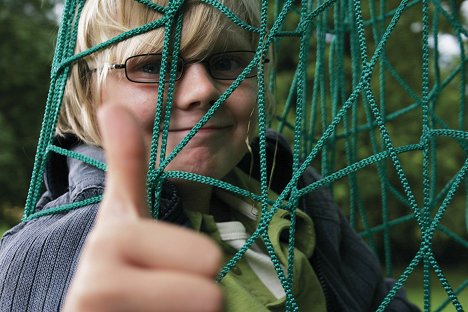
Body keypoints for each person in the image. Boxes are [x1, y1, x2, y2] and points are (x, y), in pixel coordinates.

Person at [0, 0, 419, 311]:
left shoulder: (287, 189)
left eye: (227, 62)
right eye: (151, 66)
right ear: (87, 92)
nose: (203, 91)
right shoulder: (53, 249)